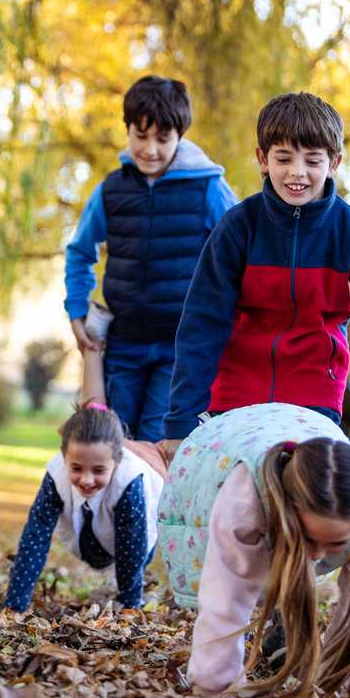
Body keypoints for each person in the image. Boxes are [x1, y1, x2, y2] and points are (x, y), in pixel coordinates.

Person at [159, 92, 350, 469]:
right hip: (235, 393)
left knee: (304, 503)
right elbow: (201, 326)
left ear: (334, 162)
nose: (297, 173)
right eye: (283, 158)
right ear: (262, 158)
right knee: (235, 503)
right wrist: (180, 422)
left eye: (312, 161)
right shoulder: (237, 229)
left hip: (313, 393)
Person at [157, 403, 350, 698]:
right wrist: (216, 687)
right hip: (223, 446)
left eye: (335, 543)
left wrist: (338, 682)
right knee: (235, 577)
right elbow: (225, 600)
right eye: (309, 539)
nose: (317, 556)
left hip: (311, 432)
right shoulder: (243, 505)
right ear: (285, 513)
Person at [64, 75, 236, 444]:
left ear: (180, 135)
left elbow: (241, 250)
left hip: (180, 348)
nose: (150, 149)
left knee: (158, 447)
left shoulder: (207, 188)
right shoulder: (111, 190)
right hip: (124, 344)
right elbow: (80, 252)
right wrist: (77, 311)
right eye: (140, 136)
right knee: (111, 444)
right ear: (127, 131)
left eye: (162, 138)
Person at [4, 403, 164, 612]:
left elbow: (132, 550)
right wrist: (15, 605)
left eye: (98, 470)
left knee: (133, 560)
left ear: (117, 461)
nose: (87, 480)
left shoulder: (130, 481)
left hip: (139, 531)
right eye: (77, 468)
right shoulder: (56, 475)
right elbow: (35, 537)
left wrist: (129, 608)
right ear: (64, 458)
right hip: (85, 538)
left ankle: (132, 595)